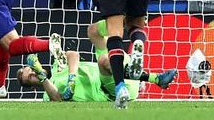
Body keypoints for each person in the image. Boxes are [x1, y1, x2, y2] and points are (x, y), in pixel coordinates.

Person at [17, 20, 177, 103]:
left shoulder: (57, 65)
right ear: (32, 87)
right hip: (112, 91)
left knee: (93, 31)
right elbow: (57, 98)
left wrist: (71, 78)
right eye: (30, 76)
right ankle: (153, 78)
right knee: (103, 60)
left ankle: (130, 21)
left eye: (30, 69)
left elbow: (73, 55)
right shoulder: (48, 94)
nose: (33, 72)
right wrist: (43, 78)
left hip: (118, 71)